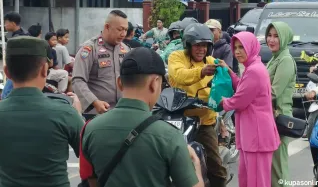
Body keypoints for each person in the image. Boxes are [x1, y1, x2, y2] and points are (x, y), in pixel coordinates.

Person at [80, 47, 204, 187]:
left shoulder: (90, 129)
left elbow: (92, 181)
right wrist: (195, 162)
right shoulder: (170, 135)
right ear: (154, 83)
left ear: (119, 83)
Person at [0, 36, 84, 187]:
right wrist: (77, 116)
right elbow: (91, 155)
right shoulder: (65, 113)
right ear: (45, 69)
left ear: (7, 72)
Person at [168, 23, 227, 186]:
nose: (201, 49)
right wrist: (201, 72)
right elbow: (179, 75)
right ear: (188, 45)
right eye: (197, 45)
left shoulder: (212, 61)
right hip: (178, 120)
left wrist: (226, 72)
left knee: (215, 167)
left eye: (205, 46)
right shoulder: (177, 57)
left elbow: (224, 84)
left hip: (204, 121)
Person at [219, 31, 280, 187]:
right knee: (248, 179)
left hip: (257, 136)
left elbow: (240, 100)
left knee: (257, 182)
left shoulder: (254, 70)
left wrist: (221, 102)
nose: (237, 51)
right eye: (235, 47)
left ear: (251, 47)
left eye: (242, 47)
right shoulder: (252, 66)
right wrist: (230, 72)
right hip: (253, 135)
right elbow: (243, 87)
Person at [72, 10, 131, 114]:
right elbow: (78, 80)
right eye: (120, 29)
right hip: (96, 113)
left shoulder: (125, 49)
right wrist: (94, 102)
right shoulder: (90, 49)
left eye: (126, 30)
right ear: (107, 27)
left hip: (122, 111)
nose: (123, 34)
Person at [265, 22, 297, 187]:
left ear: (284, 37)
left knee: (278, 169)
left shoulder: (285, 60)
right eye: (269, 35)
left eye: (276, 36)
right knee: (273, 168)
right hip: (271, 118)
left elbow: (274, 92)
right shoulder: (274, 58)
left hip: (279, 119)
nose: (271, 39)